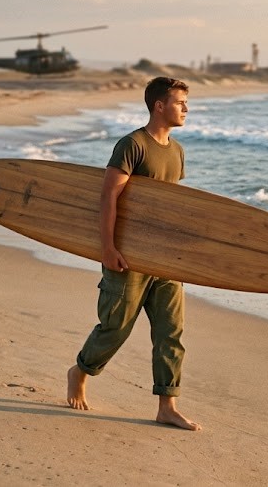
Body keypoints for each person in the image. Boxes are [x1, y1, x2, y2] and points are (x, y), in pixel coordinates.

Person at [67, 76, 200, 431]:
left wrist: (182, 254)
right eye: (180, 103)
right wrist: (108, 248)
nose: (186, 109)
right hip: (127, 255)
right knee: (116, 328)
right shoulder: (132, 145)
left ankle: (167, 406)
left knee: (171, 332)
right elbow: (108, 197)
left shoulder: (178, 151)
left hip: (165, 258)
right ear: (159, 105)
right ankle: (80, 370)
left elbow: (169, 206)